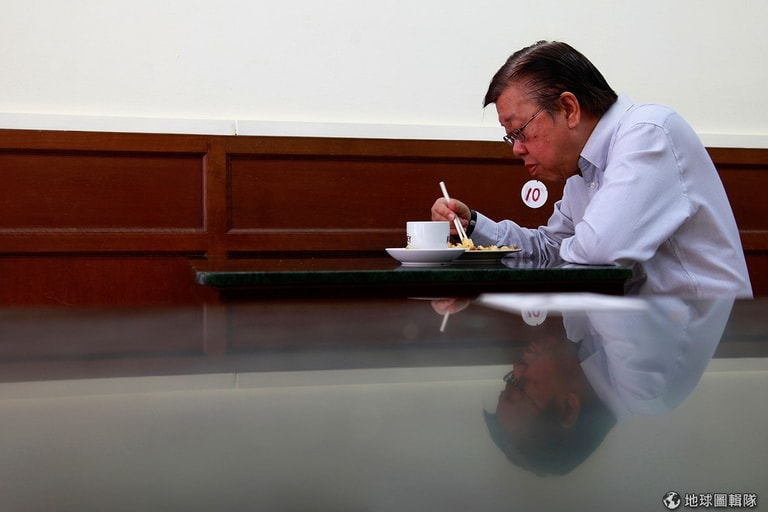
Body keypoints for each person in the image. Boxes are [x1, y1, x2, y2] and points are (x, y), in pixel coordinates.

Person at [432, 41, 752, 298]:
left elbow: (600, 251)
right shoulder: (581, 168)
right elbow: (550, 248)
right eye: (511, 137)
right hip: (641, 332)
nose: (516, 148)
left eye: (520, 132)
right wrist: (472, 225)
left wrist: (568, 249)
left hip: (701, 335)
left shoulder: (647, 133)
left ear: (569, 108)